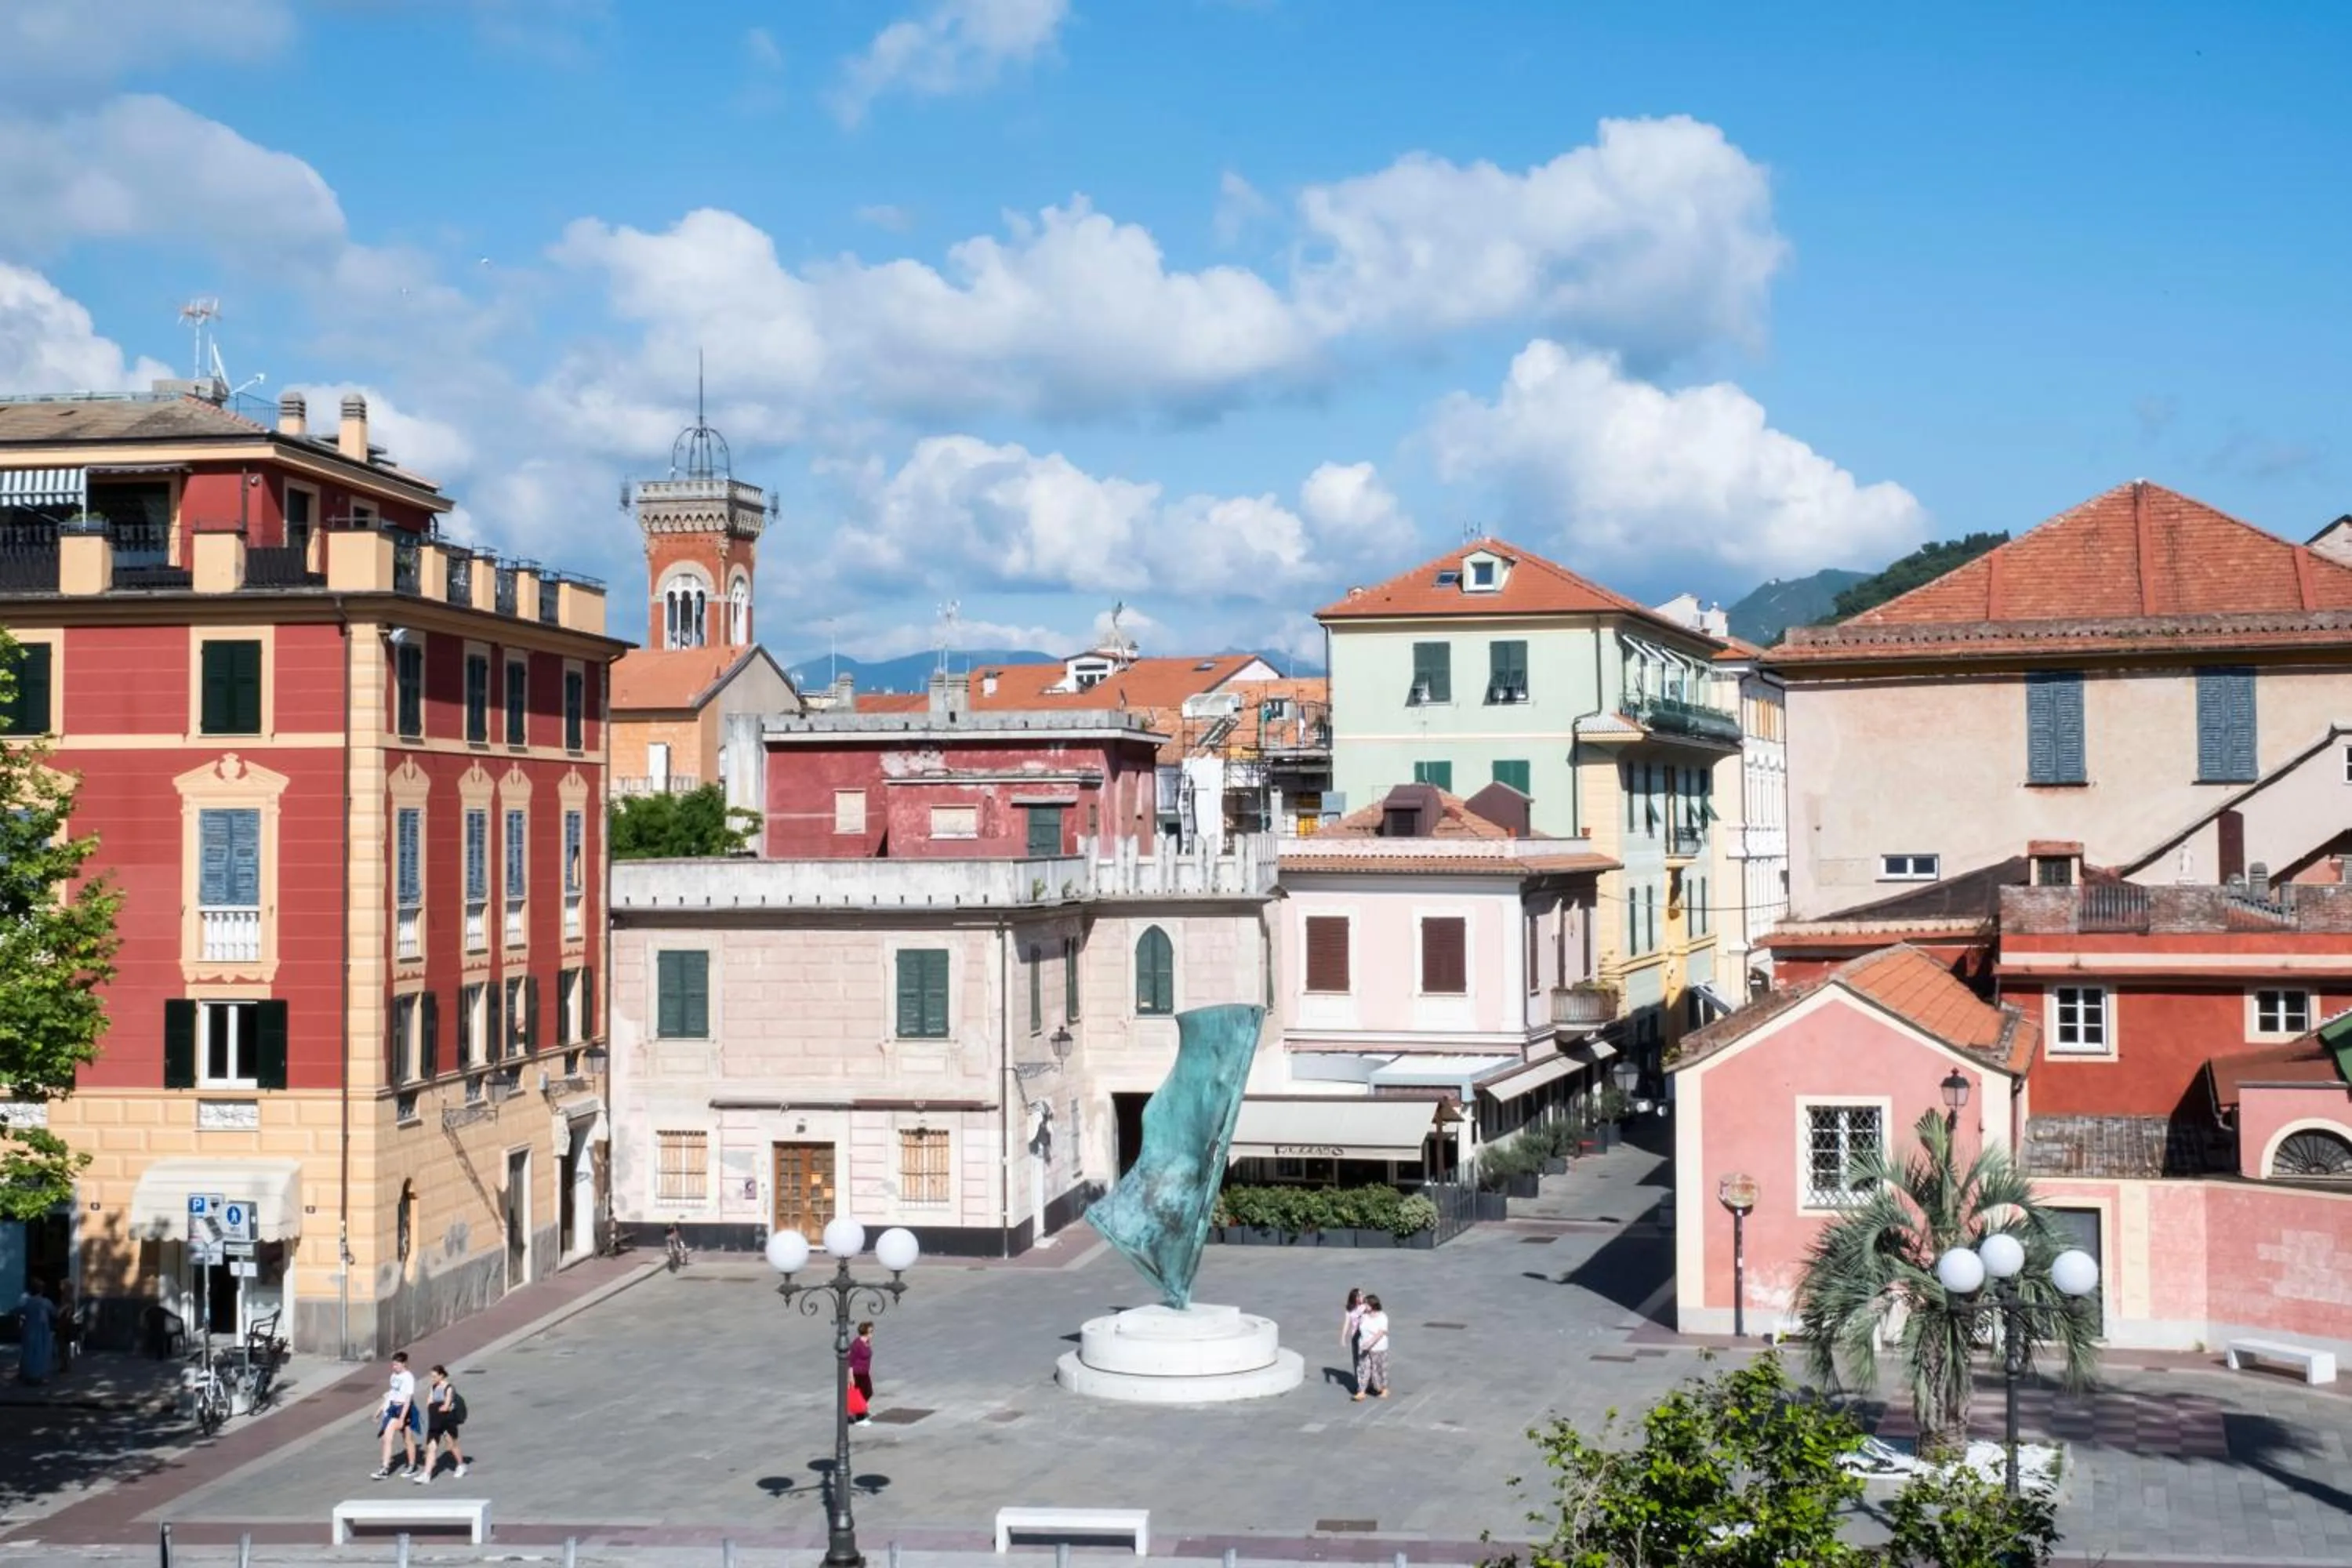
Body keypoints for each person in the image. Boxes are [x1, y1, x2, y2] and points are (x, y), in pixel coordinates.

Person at [372, 1351, 425, 1479]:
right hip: (393, 1408)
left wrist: (402, 1417)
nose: (394, 1367)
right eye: (393, 1364)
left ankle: (410, 1466)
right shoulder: (394, 1376)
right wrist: (379, 1411)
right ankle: (385, 1467)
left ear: (404, 1364)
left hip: (404, 1409)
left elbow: (408, 1399)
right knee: (388, 1437)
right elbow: (392, 1394)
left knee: (407, 1439)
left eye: (396, 1365)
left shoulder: (408, 1378)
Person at [416, 1365, 469, 1483]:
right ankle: (426, 1474)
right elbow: (429, 1402)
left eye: (434, 1376)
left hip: (447, 1422)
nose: (432, 1379)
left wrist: (438, 1407)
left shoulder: (449, 1388)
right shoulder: (433, 1387)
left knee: (452, 1445)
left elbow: (446, 1406)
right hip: (435, 1422)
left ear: (441, 1375)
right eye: (431, 1376)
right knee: (431, 1447)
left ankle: (461, 1465)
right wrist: (437, 1407)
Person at [16, 1279, 55, 1385]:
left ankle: (27, 1374)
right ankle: (37, 1376)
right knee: (41, 1352)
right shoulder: (46, 1302)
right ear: (41, 1290)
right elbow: (54, 1312)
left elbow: (18, 1310)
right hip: (42, 1330)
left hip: (29, 1328)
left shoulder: (27, 1302)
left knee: (28, 1351)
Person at [1352, 1294, 1390, 1402]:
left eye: (1366, 1304)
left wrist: (1369, 1343)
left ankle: (1383, 1389)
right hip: (1364, 1347)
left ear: (1372, 1305)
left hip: (1378, 1347)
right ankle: (1361, 1391)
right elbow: (1355, 1315)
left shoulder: (1382, 1317)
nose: (1364, 1306)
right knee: (1363, 1368)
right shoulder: (1364, 1316)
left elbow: (1381, 1333)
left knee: (1379, 1369)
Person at [848, 1320, 876, 1425]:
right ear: (865, 1332)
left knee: (868, 1392)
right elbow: (850, 1362)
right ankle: (859, 1416)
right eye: (871, 1331)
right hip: (857, 1374)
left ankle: (859, 1412)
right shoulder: (857, 1344)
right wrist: (851, 1377)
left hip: (865, 1373)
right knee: (860, 1394)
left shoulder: (867, 1342)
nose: (872, 1333)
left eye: (872, 1331)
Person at [1340, 1287, 1367, 1393]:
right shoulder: (1349, 1310)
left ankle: (1368, 1383)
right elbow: (1347, 1323)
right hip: (1355, 1336)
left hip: (1365, 1336)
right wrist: (1343, 1337)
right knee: (1357, 1361)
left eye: (1362, 1294)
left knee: (1366, 1360)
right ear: (1355, 1298)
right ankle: (1360, 1385)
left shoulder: (1365, 1306)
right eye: (1359, 1295)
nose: (1362, 1296)